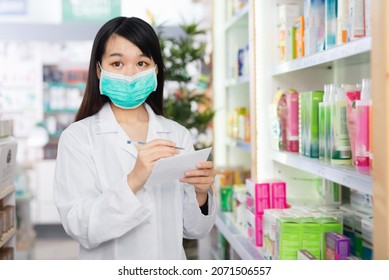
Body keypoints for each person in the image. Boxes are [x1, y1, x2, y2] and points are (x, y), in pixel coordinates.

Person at [53, 16, 216, 260]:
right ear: (99, 70)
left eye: (141, 63)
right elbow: (79, 225)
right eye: (117, 63)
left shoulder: (177, 134)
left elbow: (193, 230)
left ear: (156, 70)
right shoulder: (78, 138)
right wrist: (134, 180)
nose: (130, 74)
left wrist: (201, 194)